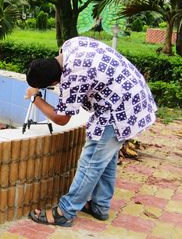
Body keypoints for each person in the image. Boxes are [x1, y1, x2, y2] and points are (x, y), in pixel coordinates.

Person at [25, 36, 157, 227]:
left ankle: (65, 212)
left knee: (91, 162)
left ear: (55, 80)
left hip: (119, 110)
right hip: (133, 97)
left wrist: (35, 98)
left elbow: (62, 119)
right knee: (106, 158)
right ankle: (100, 206)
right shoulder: (70, 45)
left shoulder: (73, 76)